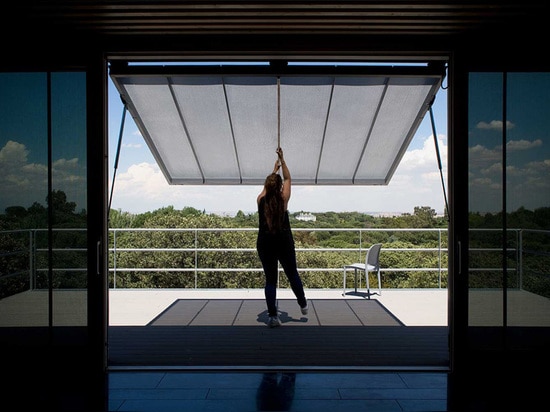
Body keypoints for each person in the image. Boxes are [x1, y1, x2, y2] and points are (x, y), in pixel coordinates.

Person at [256, 147, 308, 328]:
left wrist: (273, 171)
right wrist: (282, 161)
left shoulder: (260, 199)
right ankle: (302, 303)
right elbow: (288, 179)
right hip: (283, 243)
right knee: (292, 274)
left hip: (265, 244)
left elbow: (267, 187)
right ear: (278, 187)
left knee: (270, 280)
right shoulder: (283, 198)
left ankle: (272, 316)